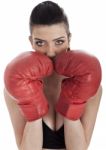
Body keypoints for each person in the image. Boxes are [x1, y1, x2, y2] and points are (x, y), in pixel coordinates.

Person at [3, 1, 102, 150]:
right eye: (40, 43)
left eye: (59, 42)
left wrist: (72, 104)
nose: (50, 52)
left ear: (69, 38)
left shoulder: (90, 85)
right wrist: (32, 104)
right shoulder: (16, 86)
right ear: (31, 42)